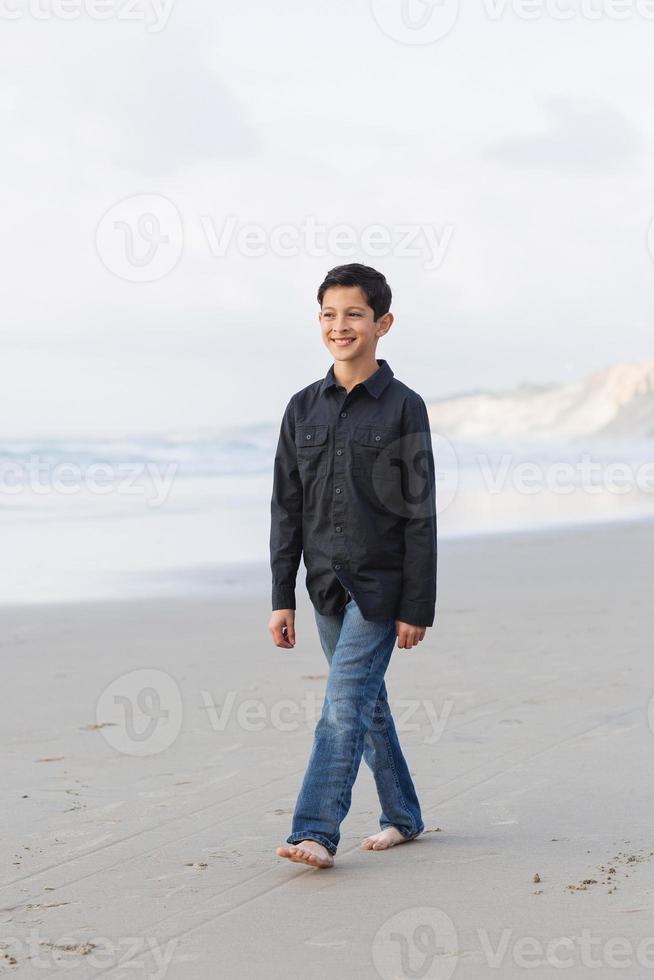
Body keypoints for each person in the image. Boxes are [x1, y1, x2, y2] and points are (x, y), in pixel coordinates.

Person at [268, 263, 437, 869]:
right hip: (324, 587)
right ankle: (404, 815)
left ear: (382, 323)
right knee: (367, 706)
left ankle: (315, 829)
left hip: (381, 588)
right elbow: (286, 507)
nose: (340, 326)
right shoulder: (301, 408)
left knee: (342, 705)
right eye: (328, 314)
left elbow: (420, 514)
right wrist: (281, 596)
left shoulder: (403, 408)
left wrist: (417, 607)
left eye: (354, 314)